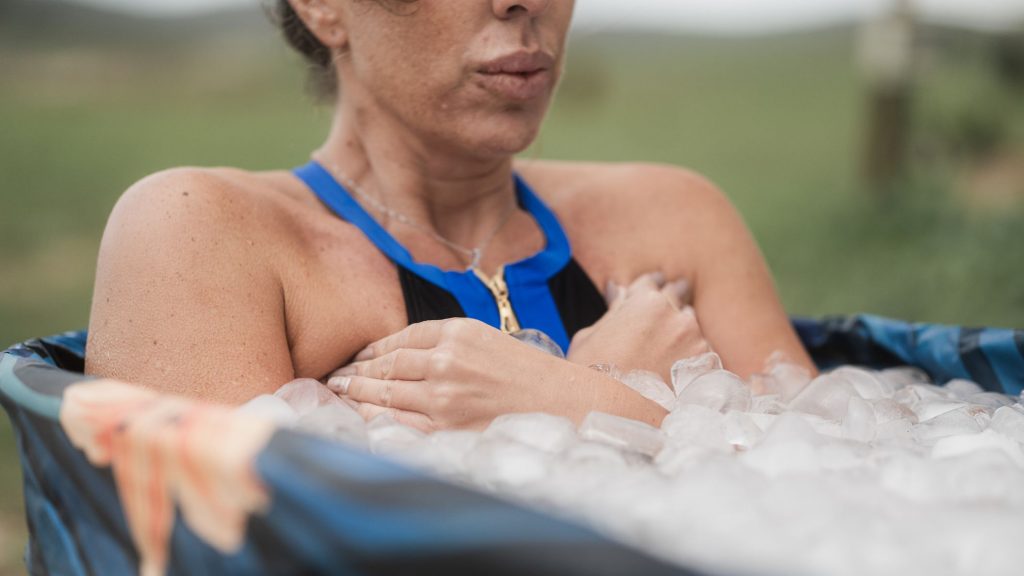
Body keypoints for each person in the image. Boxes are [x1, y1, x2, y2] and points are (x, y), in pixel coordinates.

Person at [85, 0, 815, 431]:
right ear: (321, 5)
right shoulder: (204, 232)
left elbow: (851, 496)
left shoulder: (674, 218)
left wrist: (583, 402)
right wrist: (603, 402)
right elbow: (209, 550)